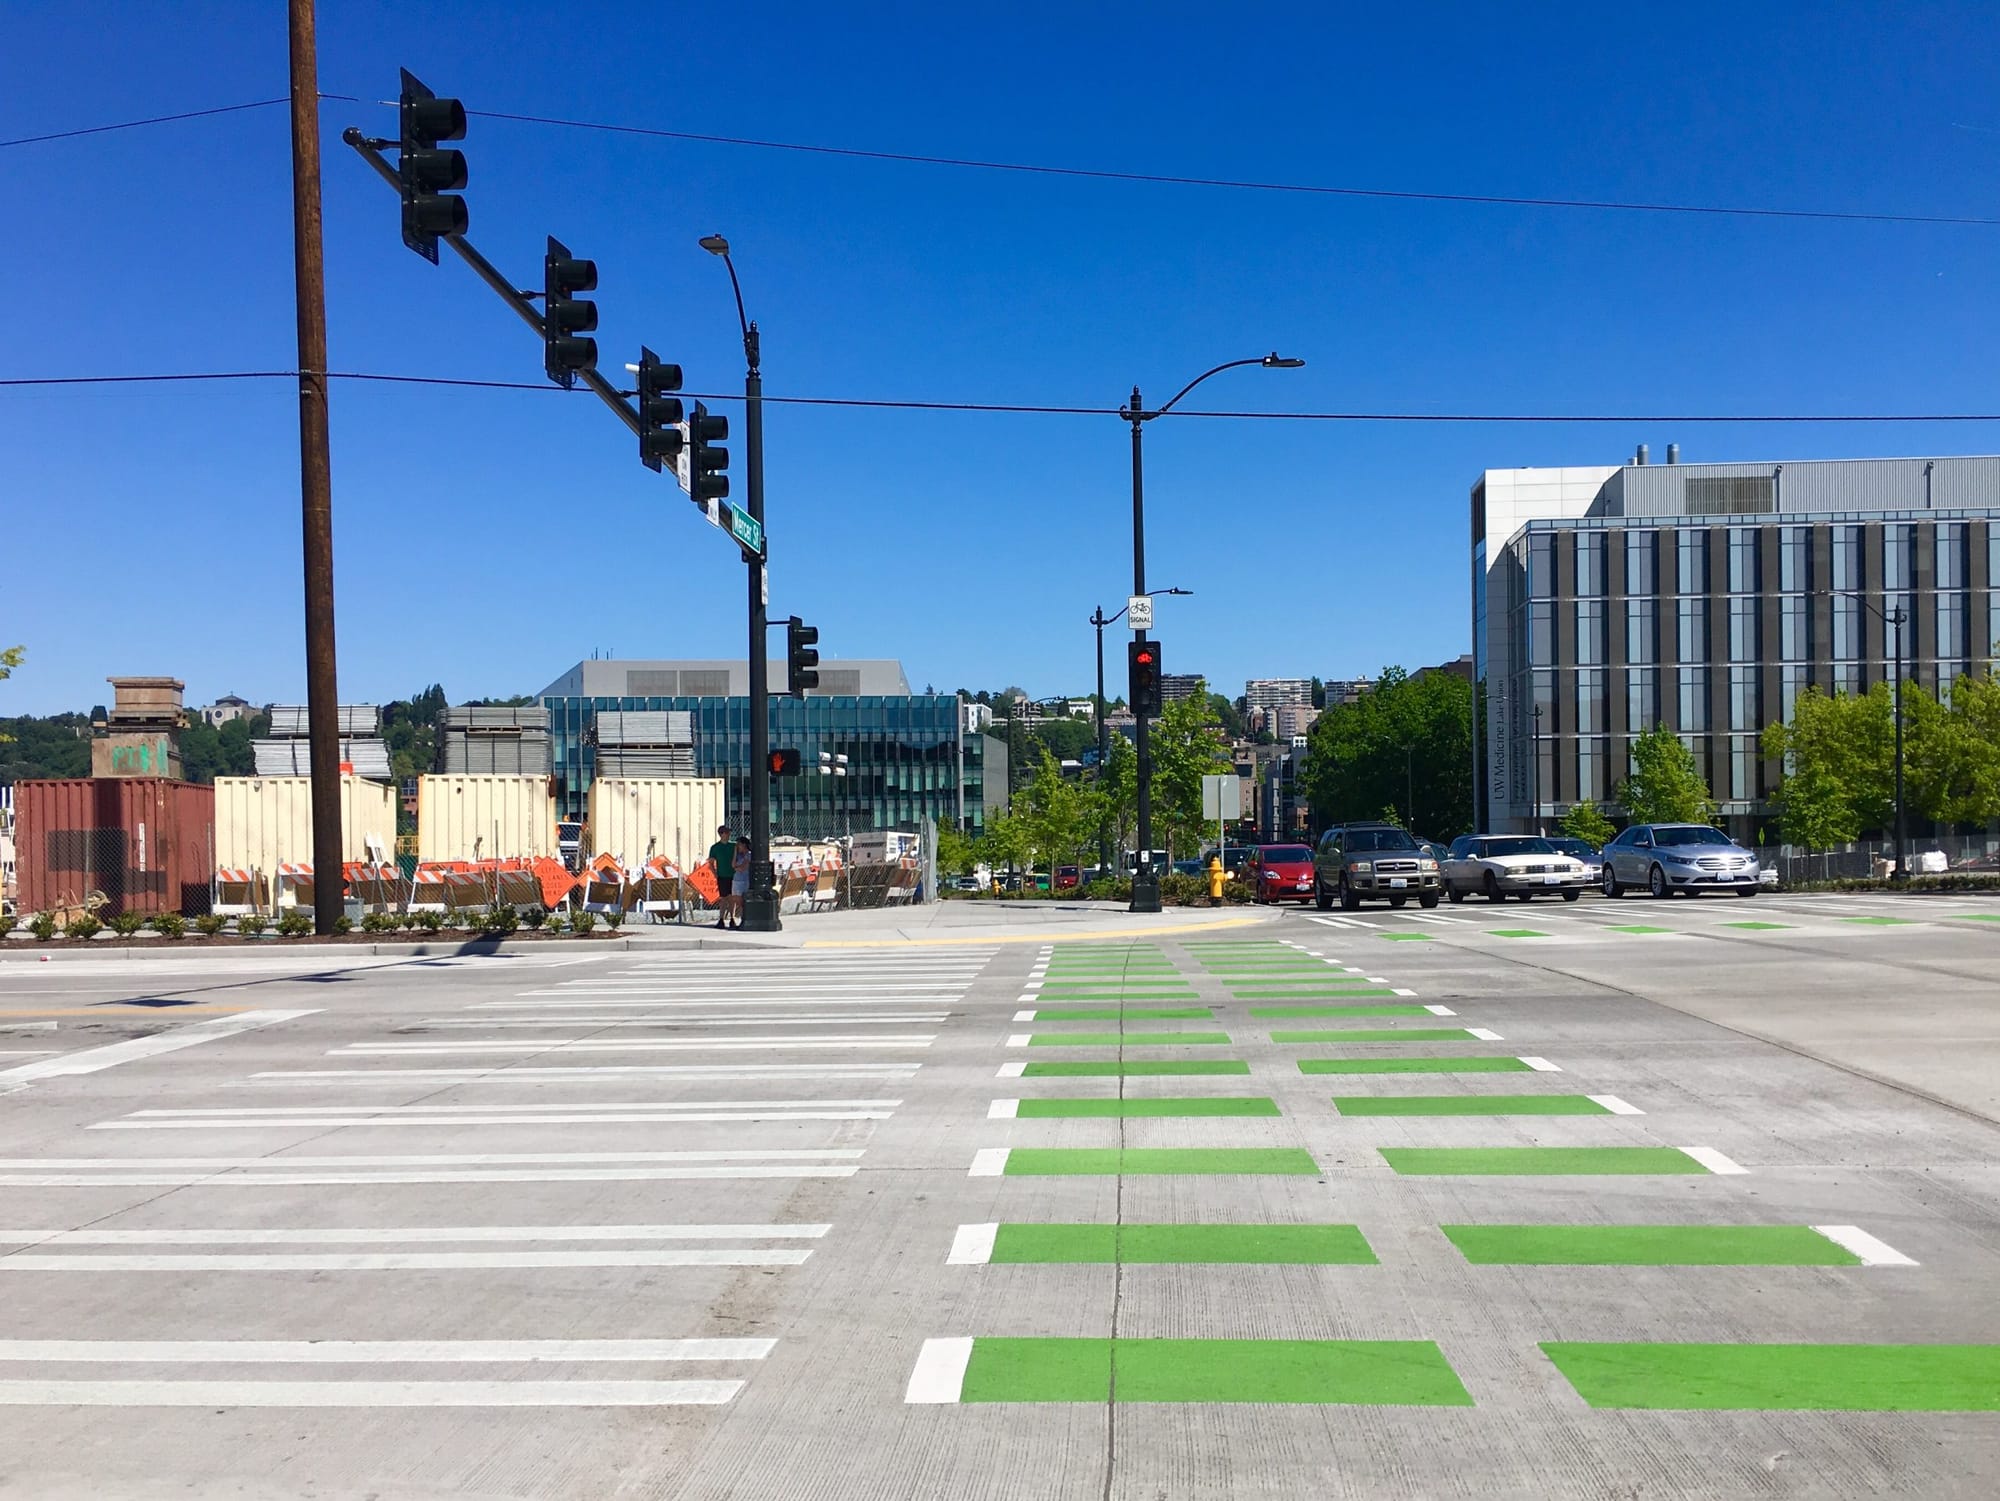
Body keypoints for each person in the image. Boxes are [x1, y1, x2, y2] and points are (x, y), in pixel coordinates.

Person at [707, 825, 737, 929]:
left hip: (733, 875)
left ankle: (732, 918)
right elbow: (710, 862)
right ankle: (721, 919)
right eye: (727, 833)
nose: (729, 835)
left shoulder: (733, 846)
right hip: (722, 875)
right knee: (723, 898)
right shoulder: (715, 848)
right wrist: (715, 874)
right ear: (721, 834)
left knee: (732, 898)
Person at [731, 835, 752, 925]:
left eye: (739, 845)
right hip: (736, 879)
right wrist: (735, 852)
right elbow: (733, 865)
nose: (738, 846)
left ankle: (745, 918)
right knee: (735, 899)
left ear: (744, 845)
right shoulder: (739, 855)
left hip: (744, 880)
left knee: (741, 900)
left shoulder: (749, 855)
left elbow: (743, 868)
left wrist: (737, 867)